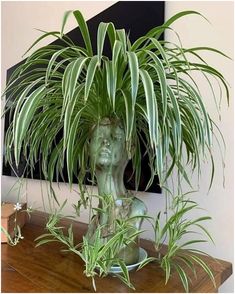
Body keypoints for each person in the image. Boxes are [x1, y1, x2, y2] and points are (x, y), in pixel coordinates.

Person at [87, 117, 147, 265]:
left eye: (116, 137)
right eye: (98, 136)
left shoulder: (136, 211)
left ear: (130, 149)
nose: (105, 142)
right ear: (88, 147)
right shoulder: (95, 222)